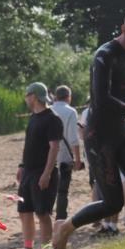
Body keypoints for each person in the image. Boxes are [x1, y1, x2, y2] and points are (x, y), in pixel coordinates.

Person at [53, 9, 125, 249]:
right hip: (99, 136)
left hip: (123, 131)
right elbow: (102, 100)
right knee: (113, 203)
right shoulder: (105, 55)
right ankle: (66, 227)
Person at [17, 82, 63, 249]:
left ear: (34, 96)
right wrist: (22, 166)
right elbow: (29, 145)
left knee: (43, 214)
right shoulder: (33, 117)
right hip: (28, 172)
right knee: (24, 212)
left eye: (27, 95)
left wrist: (47, 173)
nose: (26, 98)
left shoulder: (52, 119)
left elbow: (54, 148)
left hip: (42, 172)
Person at [78, 105, 121, 235]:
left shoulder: (112, 109)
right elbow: (82, 135)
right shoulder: (88, 112)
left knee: (112, 189)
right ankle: (106, 224)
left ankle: (112, 226)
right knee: (102, 190)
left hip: (110, 154)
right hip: (96, 156)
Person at [50, 85, 82, 222]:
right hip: (64, 155)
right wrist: (78, 159)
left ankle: (46, 214)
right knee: (62, 190)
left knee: (49, 188)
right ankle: (60, 217)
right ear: (69, 97)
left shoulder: (47, 110)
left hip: (47, 155)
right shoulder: (71, 112)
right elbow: (73, 138)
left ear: (56, 97)